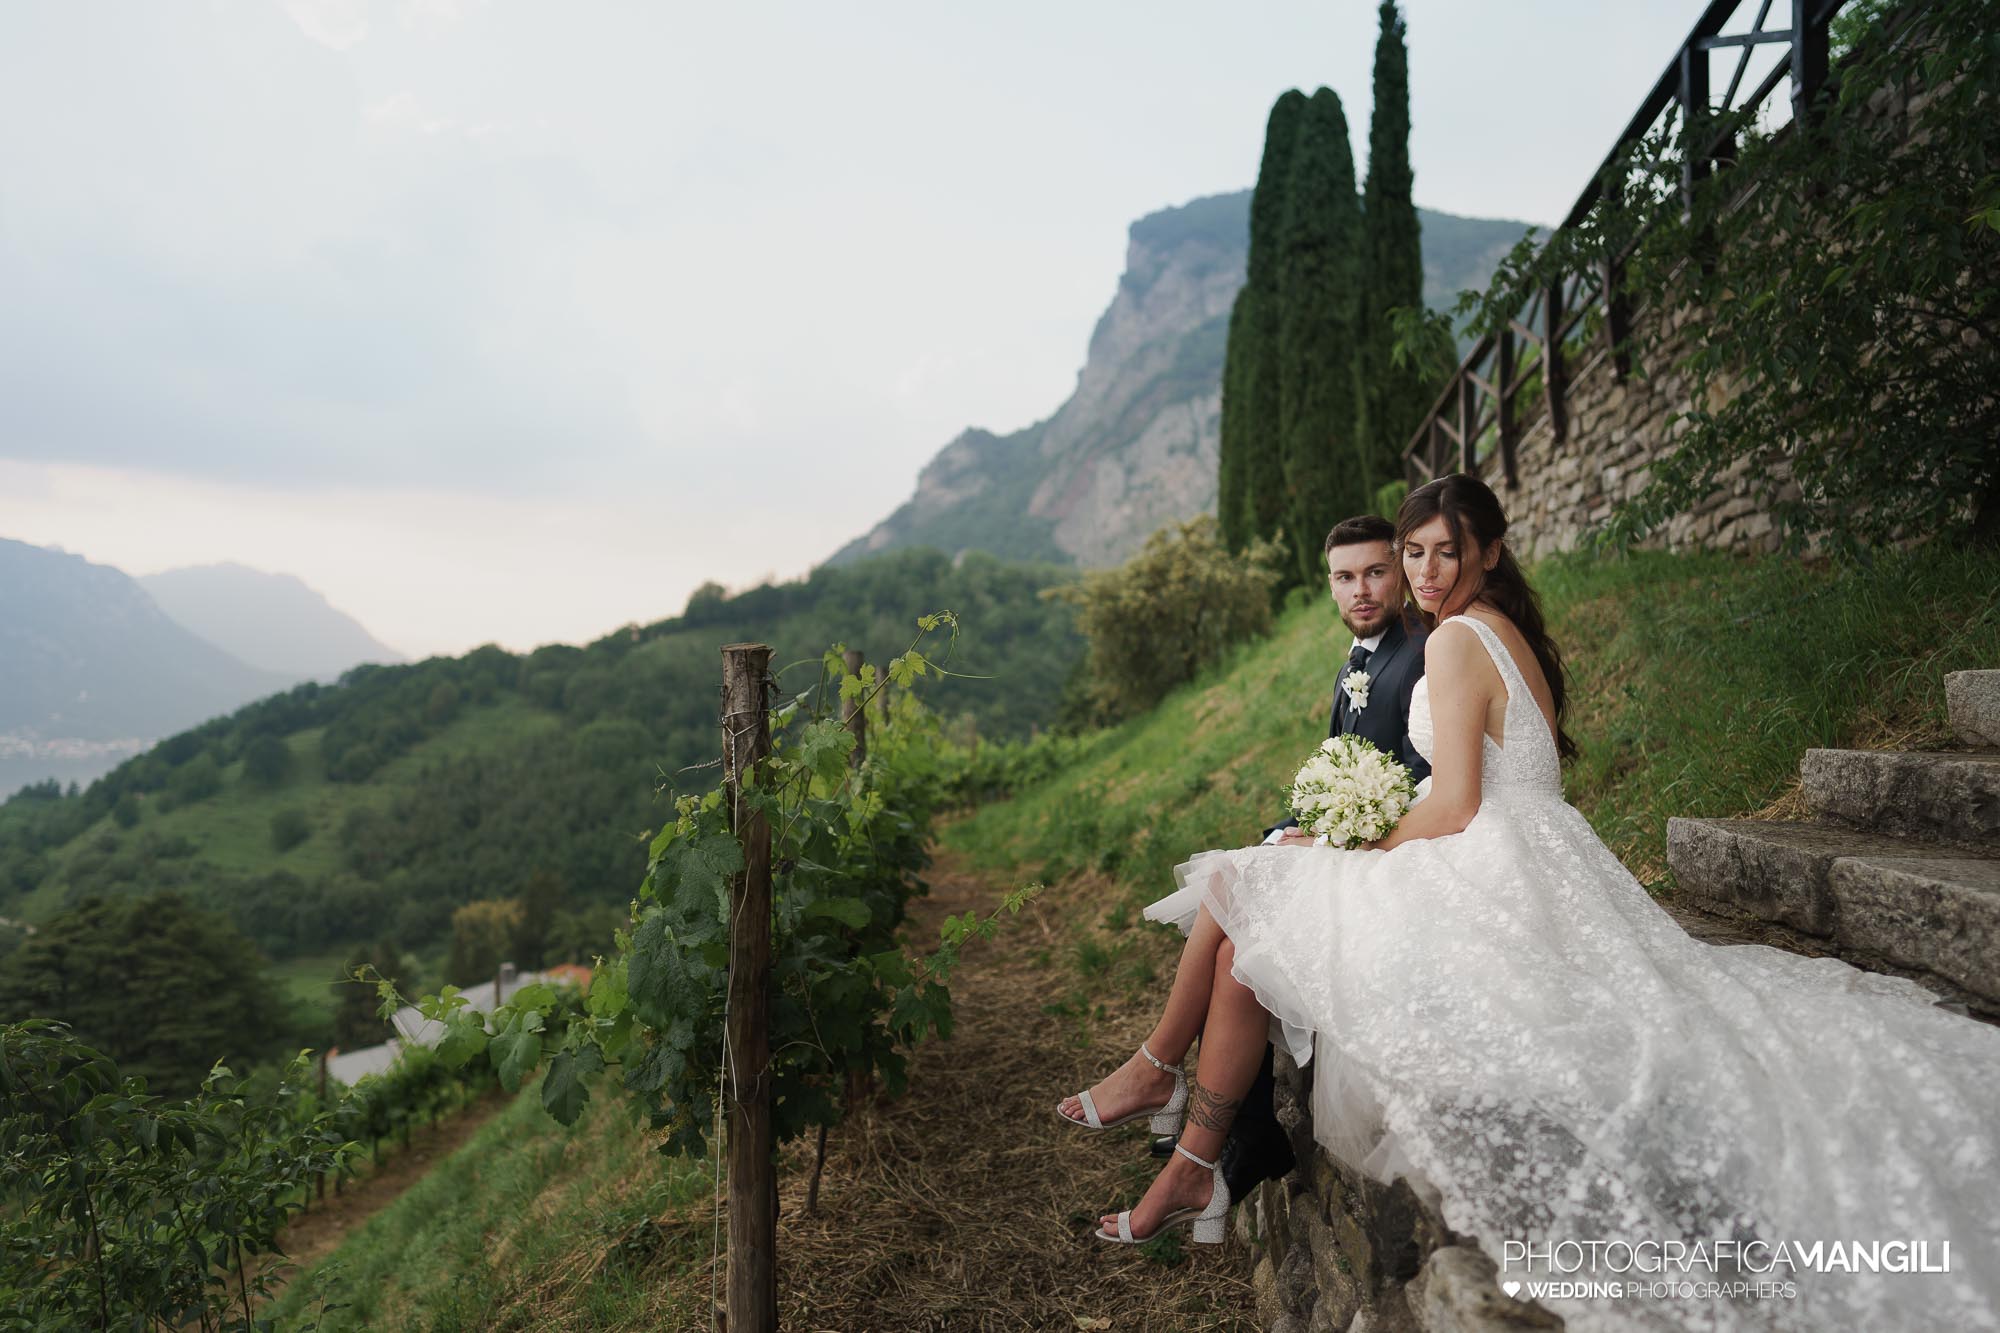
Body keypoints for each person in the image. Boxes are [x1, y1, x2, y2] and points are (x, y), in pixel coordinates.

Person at [1055, 474, 2000, 1332]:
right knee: (1245, 914)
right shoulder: (1502, 627)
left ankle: (1166, 1093)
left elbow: (1456, 804)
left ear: (1490, 551)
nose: (1425, 572)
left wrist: (1345, 841)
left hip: (1485, 853)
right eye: (1413, 551)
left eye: (1445, 552)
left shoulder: (1456, 638)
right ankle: (1186, 1141)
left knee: (1242, 887)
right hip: (1539, 851)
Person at [1128, 514, 1432, 1198]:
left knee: (1240, 923)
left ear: (1401, 572)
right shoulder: (1356, 662)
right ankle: (1238, 1119)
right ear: (1329, 584)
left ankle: (1180, 1086)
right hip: (1348, 837)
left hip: (1388, 855)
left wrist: (1330, 836)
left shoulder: (1421, 652)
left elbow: (1419, 778)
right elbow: (1340, 769)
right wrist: (1284, 831)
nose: (1361, 590)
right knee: (1237, 933)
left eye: (1375, 572)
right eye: (1345, 577)